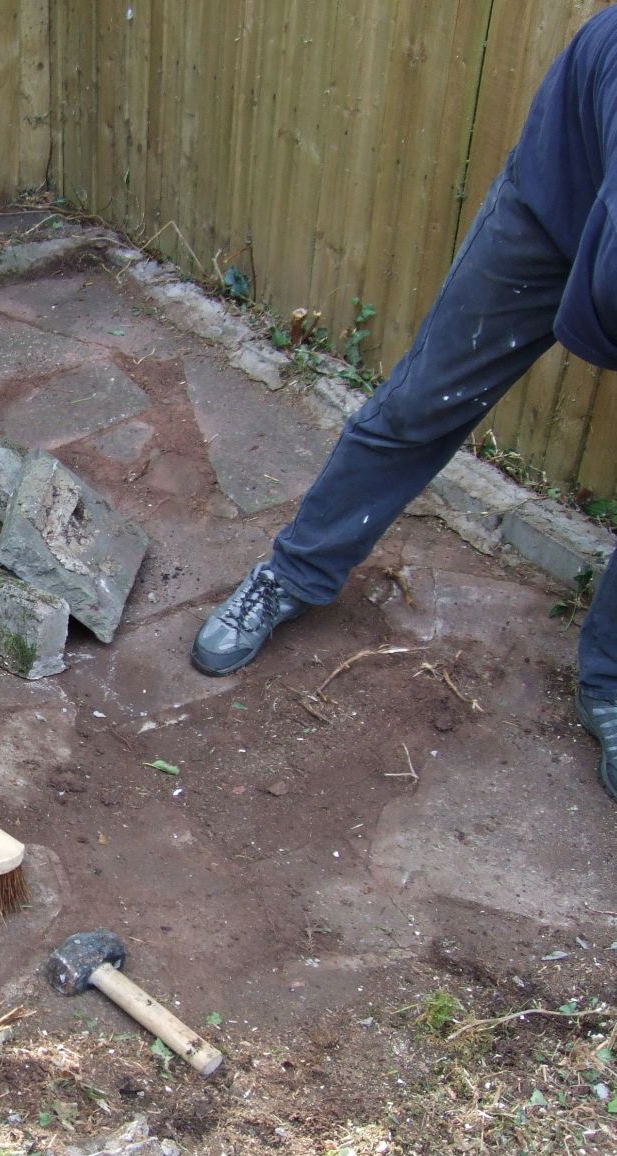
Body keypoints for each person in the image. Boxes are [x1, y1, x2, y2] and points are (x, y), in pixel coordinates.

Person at [191, 7, 617, 803]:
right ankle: (293, 573)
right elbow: (601, 306)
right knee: (424, 400)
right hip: (557, 199)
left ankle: (612, 685)